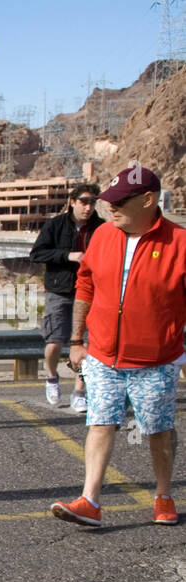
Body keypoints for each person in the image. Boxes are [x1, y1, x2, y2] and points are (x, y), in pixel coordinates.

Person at [51, 165, 185, 527]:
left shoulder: (180, 243)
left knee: (158, 430)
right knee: (100, 423)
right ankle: (90, 500)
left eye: (119, 201)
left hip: (156, 361)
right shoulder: (103, 236)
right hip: (103, 355)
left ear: (148, 200)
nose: (110, 207)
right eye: (107, 201)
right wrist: (77, 341)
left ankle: (163, 495)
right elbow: (86, 287)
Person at [30, 184, 104, 408]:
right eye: (83, 202)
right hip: (59, 290)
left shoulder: (102, 228)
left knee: (86, 342)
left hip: (91, 291)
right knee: (54, 341)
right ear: (72, 202)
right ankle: (52, 377)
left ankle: (79, 391)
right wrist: (68, 255)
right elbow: (37, 254)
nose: (88, 207)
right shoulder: (55, 225)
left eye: (92, 202)